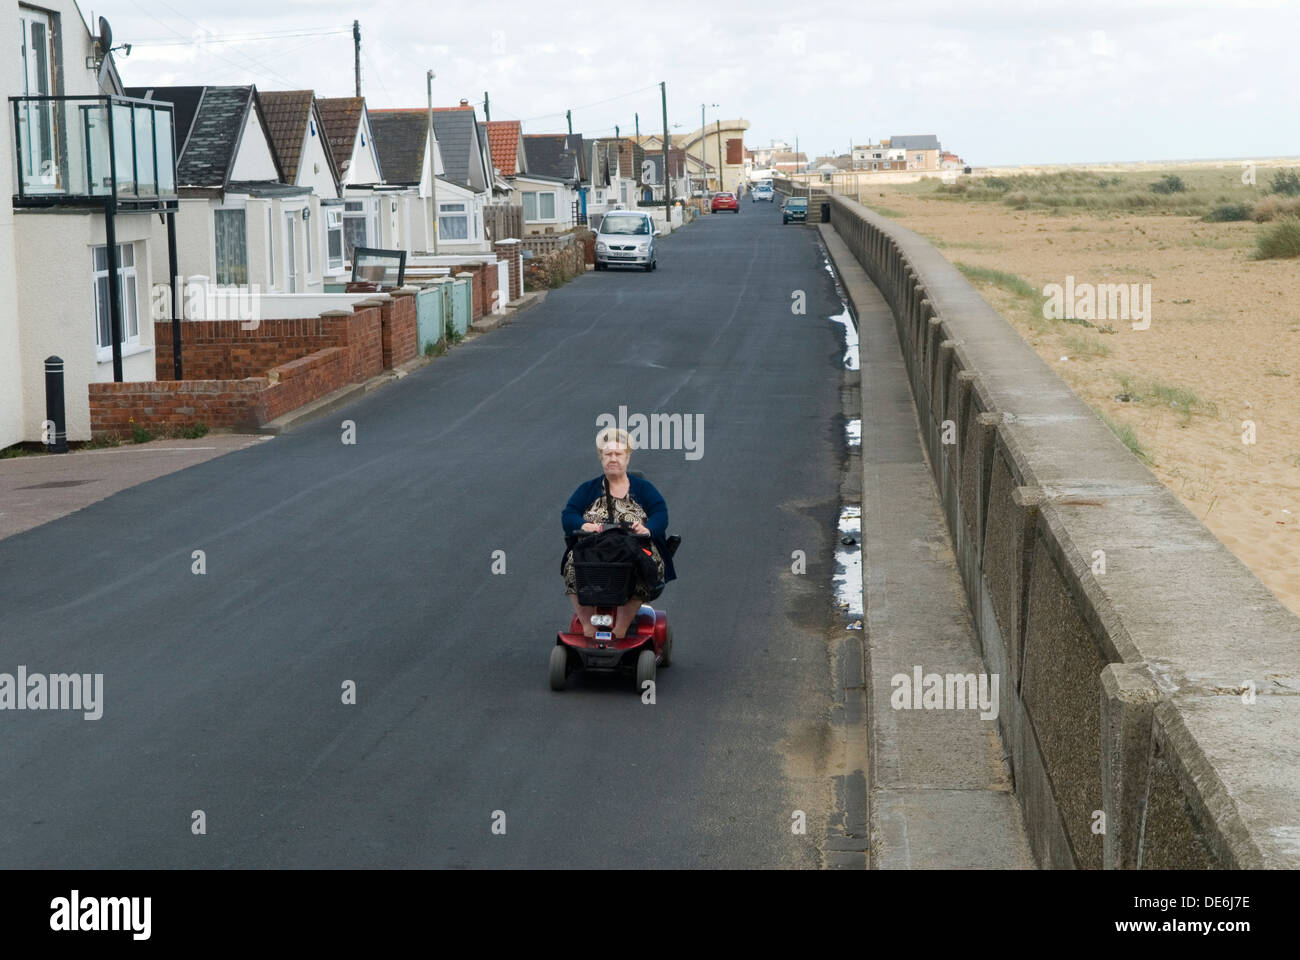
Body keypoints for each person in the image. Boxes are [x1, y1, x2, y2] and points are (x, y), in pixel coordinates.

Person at [562, 427, 676, 639]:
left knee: (640, 568)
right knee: (572, 564)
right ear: (601, 458)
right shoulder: (588, 489)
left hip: (635, 547)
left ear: (627, 457)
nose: (612, 459)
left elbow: (660, 513)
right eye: (608, 454)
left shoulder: (643, 489)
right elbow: (569, 514)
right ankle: (588, 627)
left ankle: (620, 630)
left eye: (618, 454)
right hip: (595, 548)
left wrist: (648, 529)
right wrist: (583, 525)